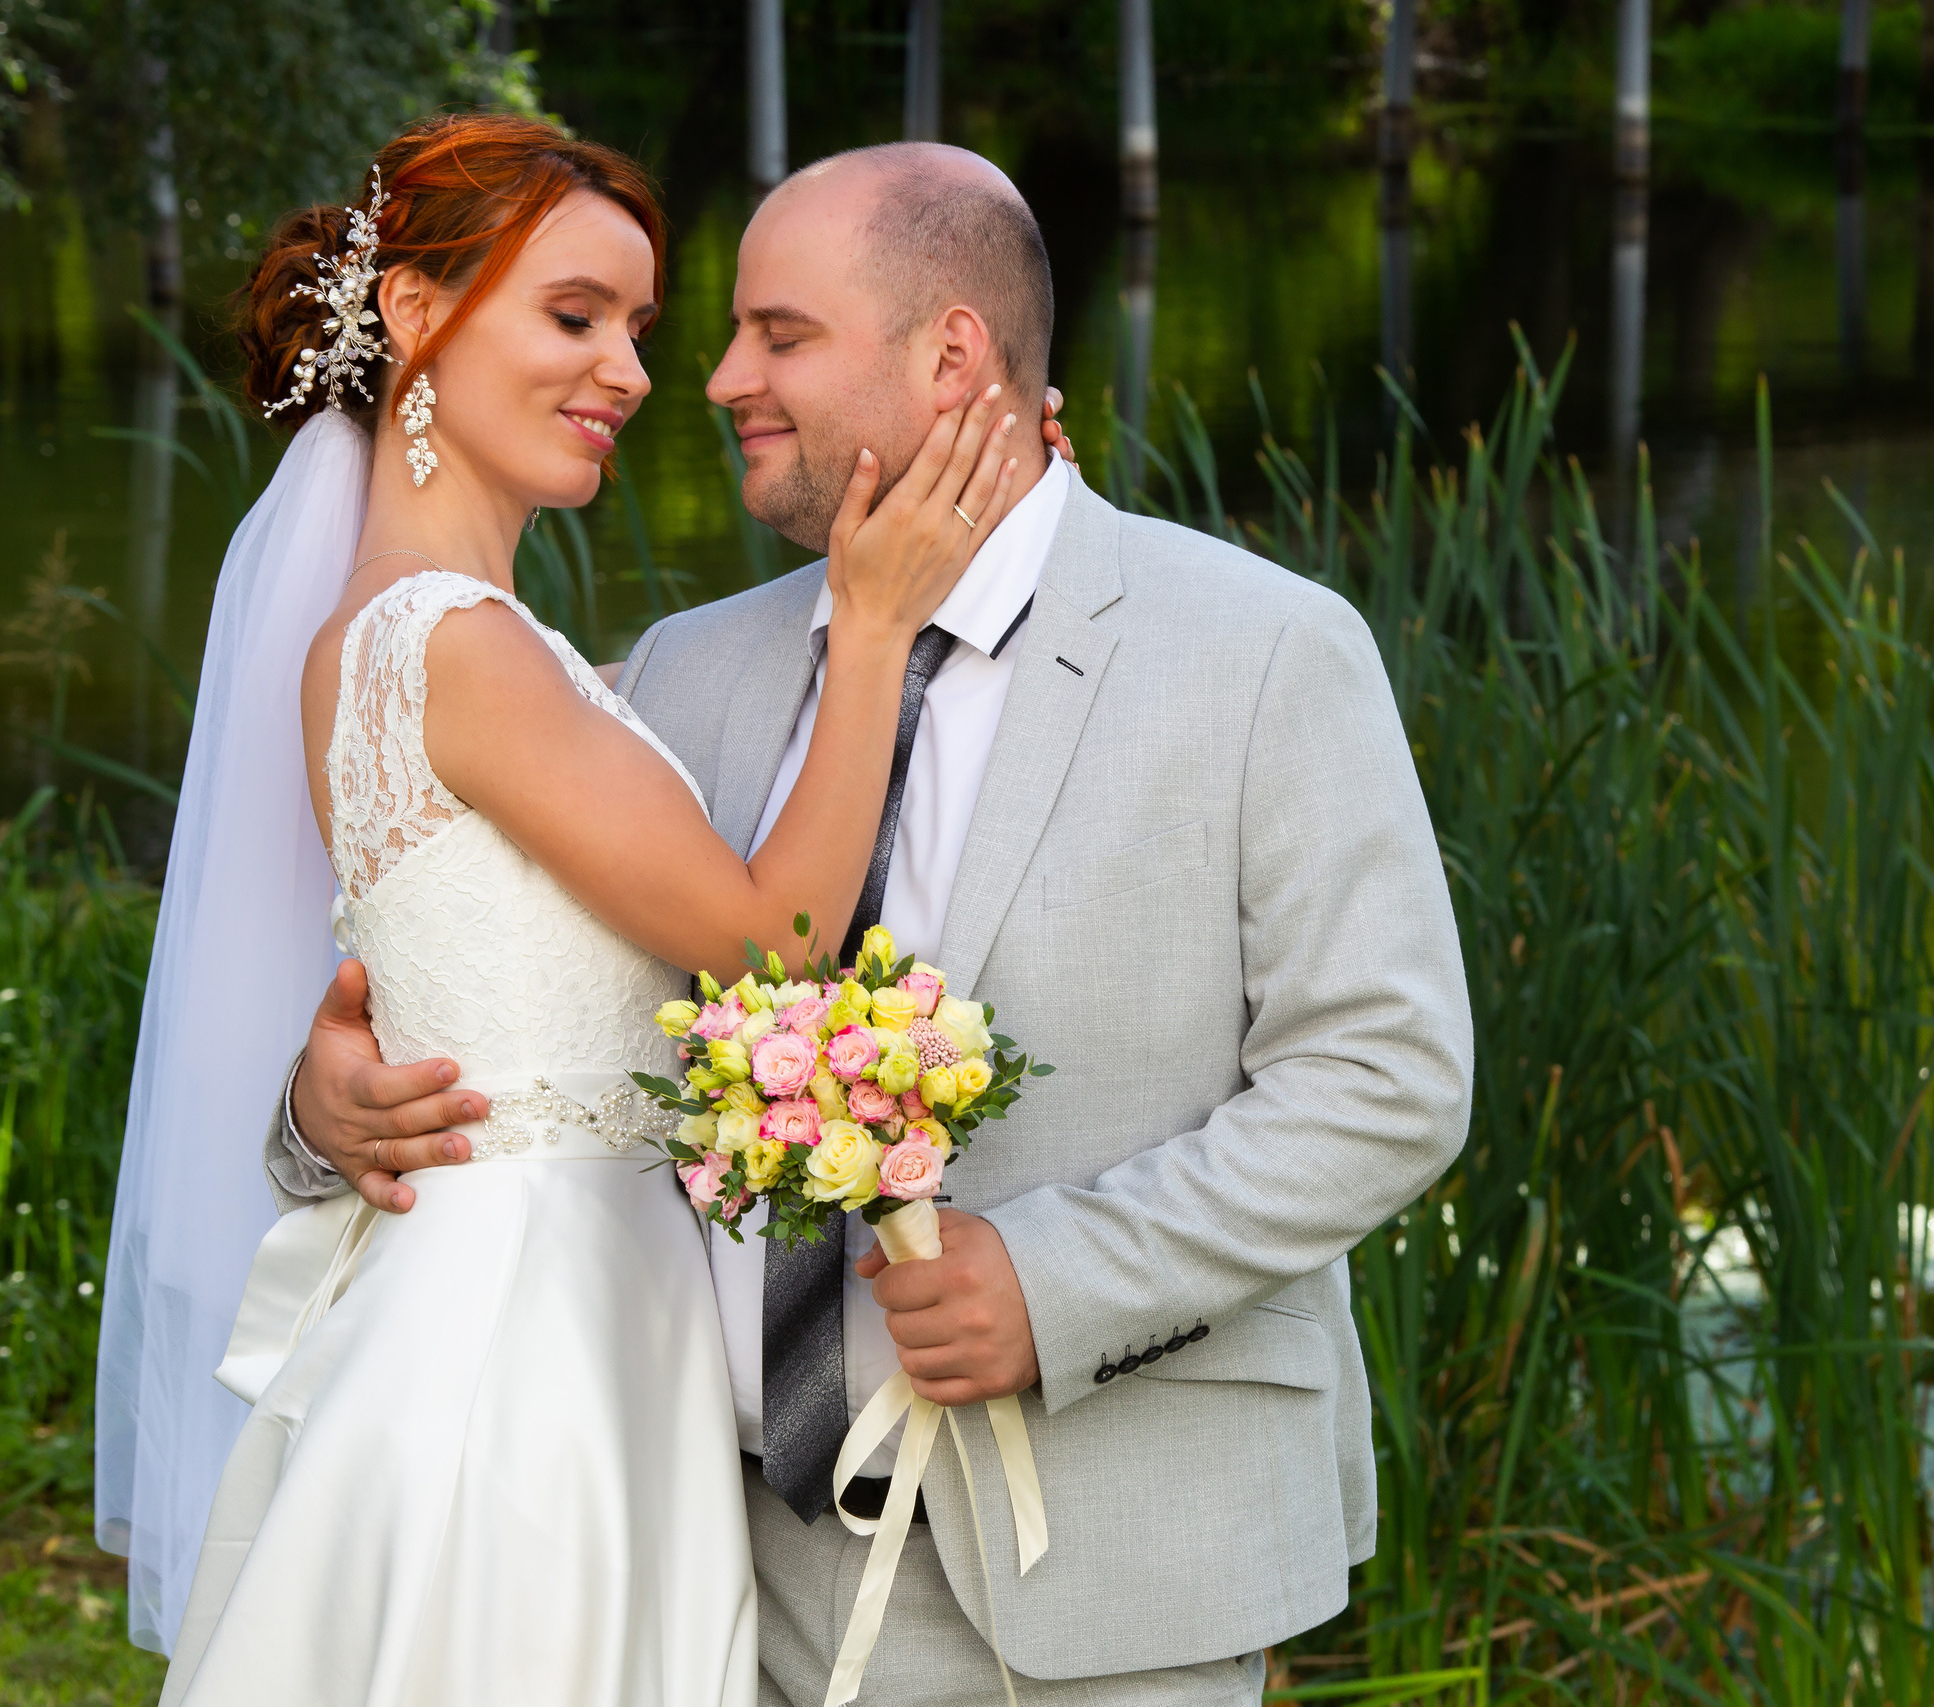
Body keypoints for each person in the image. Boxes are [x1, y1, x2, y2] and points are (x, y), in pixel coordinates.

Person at [274, 140, 1473, 1707]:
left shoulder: (1260, 654)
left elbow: (1386, 1081)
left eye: (777, 334)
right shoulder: (684, 671)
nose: (708, 380)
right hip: (710, 1565)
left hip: (1111, 1575)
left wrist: (1055, 1285)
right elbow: (520, 1003)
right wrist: (323, 1113)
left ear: (952, 351)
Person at [99, 114, 1034, 1706]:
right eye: (574, 314)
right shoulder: (453, 647)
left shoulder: (470, 649)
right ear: (412, 320)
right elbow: (772, 953)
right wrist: (871, 632)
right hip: (526, 1342)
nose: (633, 372)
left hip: (563, 1305)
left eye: (640, 330)